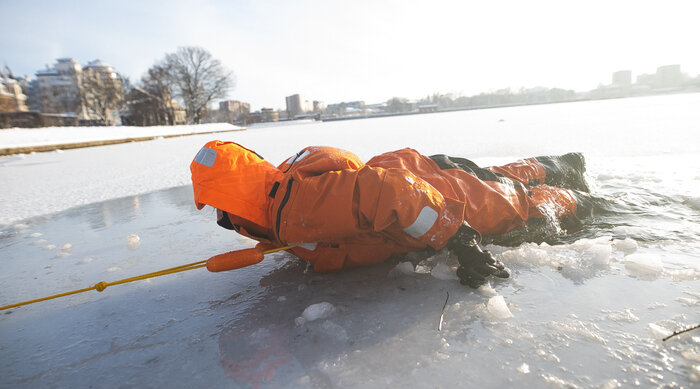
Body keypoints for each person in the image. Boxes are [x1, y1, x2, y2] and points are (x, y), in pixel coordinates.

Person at [190, 140, 590, 288]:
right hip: (415, 173)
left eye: (220, 210)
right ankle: (560, 162)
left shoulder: (298, 209)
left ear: (233, 198)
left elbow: (392, 192)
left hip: (430, 192)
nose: (222, 220)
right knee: (492, 177)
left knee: (513, 203)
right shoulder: (279, 201)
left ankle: (587, 202)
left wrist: (461, 239)